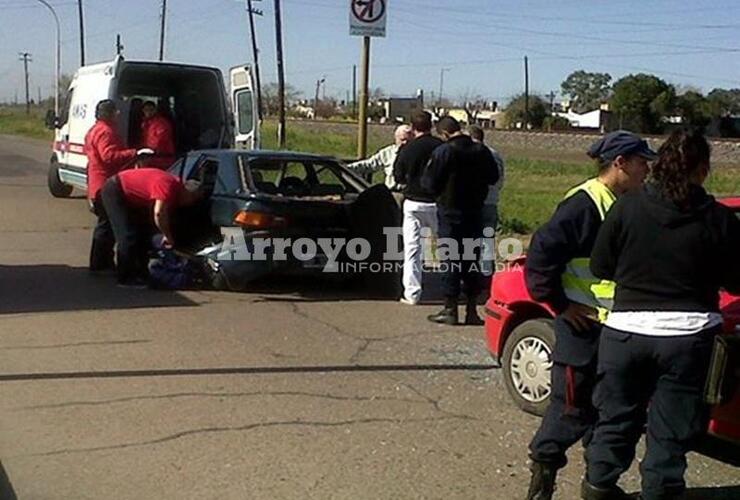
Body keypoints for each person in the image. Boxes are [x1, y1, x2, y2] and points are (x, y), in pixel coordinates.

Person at [582, 130, 740, 500]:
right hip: (688, 338)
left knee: (616, 418)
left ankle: (598, 486)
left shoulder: (627, 206)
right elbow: (736, 278)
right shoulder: (718, 219)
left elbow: (600, 265)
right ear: (702, 170)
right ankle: (660, 490)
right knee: (671, 429)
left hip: (624, 334)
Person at [524, 130, 656, 500]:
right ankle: (542, 480)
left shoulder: (629, 199)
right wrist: (561, 306)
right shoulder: (584, 205)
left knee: (610, 410)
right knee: (570, 410)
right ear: (620, 163)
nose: (648, 168)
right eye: (642, 162)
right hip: (582, 331)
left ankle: (598, 484)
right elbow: (539, 259)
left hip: (616, 329)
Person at [422, 116, 499, 325]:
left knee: (450, 260)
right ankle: (472, 309)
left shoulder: (444, 151)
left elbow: (429, 183)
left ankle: (450, 308)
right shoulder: (481, 151)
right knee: (471, 259)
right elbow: (493, 177)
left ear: (444, 133)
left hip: (449, 212)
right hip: (475, 211)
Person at [101, 168, 203, 287]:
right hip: (116, 190)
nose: (190, 204)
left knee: (142, 235)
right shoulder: (168, 185)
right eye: (193, 200)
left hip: (132, 197)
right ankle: (125, 278)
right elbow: (159, 213)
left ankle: (140, 273)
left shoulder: (176, 189)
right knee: (127, 236)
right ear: (188, 193)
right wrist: (167, 235)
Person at [84, 99, 153, 272]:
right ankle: (105, 263)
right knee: (113, 225)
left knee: (104, 225)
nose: (118, 114)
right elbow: (108, 156)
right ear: (107, 114)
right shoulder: (106, 132)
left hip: (96, 182)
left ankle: (100, 262)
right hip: (105, 182)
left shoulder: (93, 130)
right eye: (115, 111)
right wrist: (134, 153)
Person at [393, 111, 443, 305]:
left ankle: (412, 293)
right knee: (446, 246)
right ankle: (452, 288)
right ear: (431, 126)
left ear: (413, 128)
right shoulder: (441, 146)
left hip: (413, 203)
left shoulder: (408, 148)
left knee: (412, 248)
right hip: (437, 202)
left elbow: (398, 175)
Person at [468, 125, 505, 277]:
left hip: (474, 202)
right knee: (488, 240)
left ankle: (473, 274)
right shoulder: (495, 155)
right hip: (492, 201)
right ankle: (487, 273)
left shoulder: (471, 154)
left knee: (471, 241)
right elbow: (500, 179)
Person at [348, 124, 413, 206]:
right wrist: (347, 168)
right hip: (392, 195)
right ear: (396, 138)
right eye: (402, 140)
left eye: (408, 140)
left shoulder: (417, 154)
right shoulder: (388, 153)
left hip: (410, 197)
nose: (405, 143)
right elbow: (369, 164)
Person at [139, 100, 176, 170]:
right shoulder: (145, 124)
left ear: (155, 110)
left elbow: (160, 141)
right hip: (150, 159)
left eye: (151, 110)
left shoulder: (162, 123)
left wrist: (147, 151)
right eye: (146, 110)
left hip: (162, 159)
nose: (148, 112)